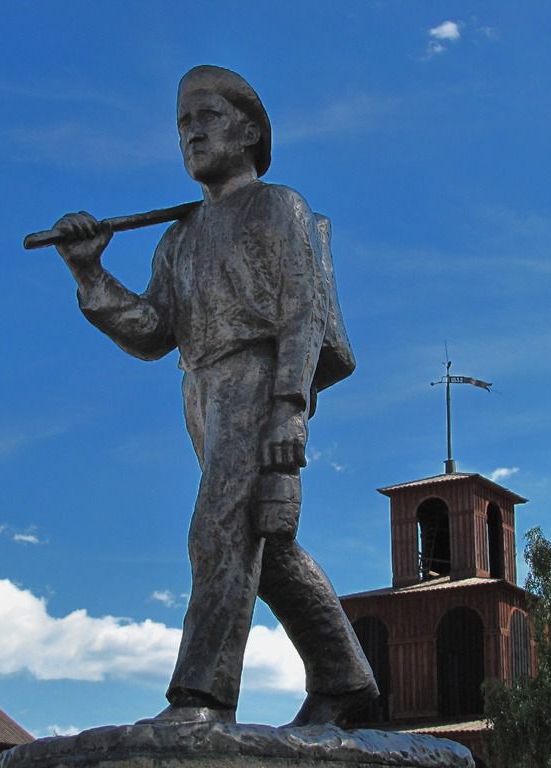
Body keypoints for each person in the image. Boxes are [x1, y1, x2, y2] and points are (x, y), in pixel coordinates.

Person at [50, 65, 377, 726]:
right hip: (202, 389)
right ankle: (343, 678)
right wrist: (90, 271)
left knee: (218, 531)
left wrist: (290, 405)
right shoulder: (179, 238)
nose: (191, 133)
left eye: (207, 117)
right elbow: (150, 332)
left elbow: (304, 311)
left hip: (259, 376)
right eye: (182, 124)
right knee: (267, 545)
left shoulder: (277, 207)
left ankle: (200, 697)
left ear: (250, 130)